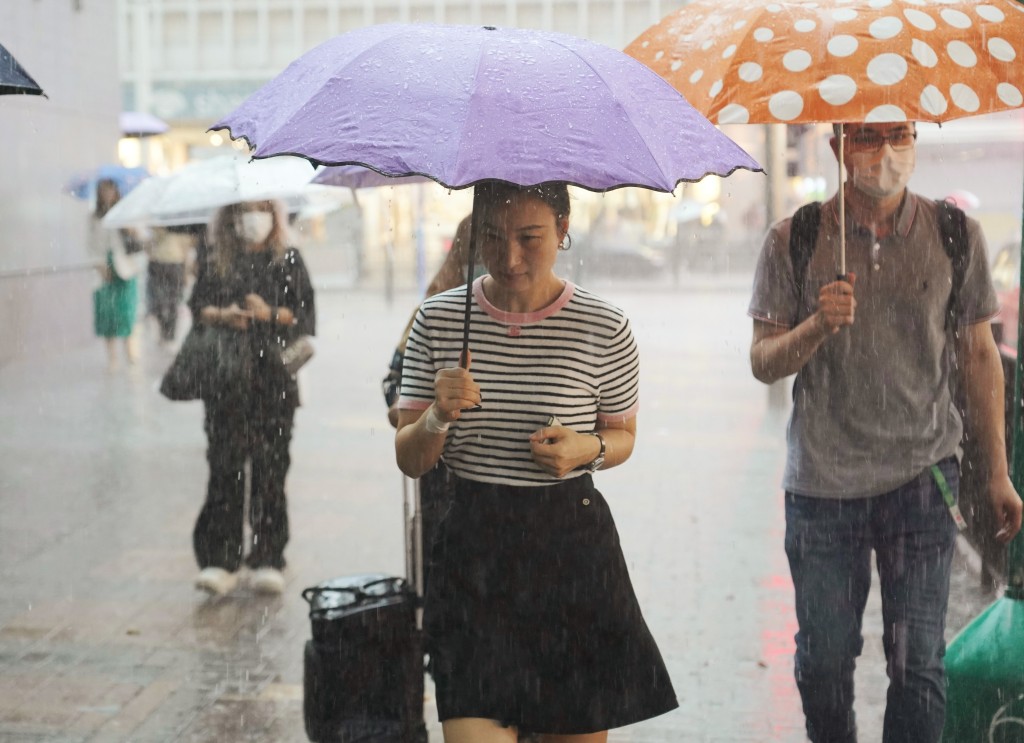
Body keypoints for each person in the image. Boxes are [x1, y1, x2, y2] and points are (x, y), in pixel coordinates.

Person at [748, 121, 1023, 743]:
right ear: (840, 145)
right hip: (822, 484)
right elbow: (763, 361)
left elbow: (980, 356)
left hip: (922, 479)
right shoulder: (796, 238)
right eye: (870, 136)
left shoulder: (955, 234)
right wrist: (818, 323)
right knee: (822, 664)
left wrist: (998, 471)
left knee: (918, 665)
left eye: (899, 133)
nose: (888, 152)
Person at [395, 181, 677, 743]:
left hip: (571, 554)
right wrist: (437, 418)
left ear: (563, 228)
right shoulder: (439, 318)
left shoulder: (605, 327)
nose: (510, 257)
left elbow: (622, 435)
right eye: (493, 238)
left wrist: (587, 449)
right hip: (474, 551)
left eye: (530, 237)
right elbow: (410, 459)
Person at [187, 199, 316, 596]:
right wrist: (223, 315)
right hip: (225, 382)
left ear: (274, 214)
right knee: (225, 468)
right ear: (227, 214)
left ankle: (268, 555)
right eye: (242, 209)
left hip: (273, 383)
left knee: (271, 470)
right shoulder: (214, 256)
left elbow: (306, 317)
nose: (251, 217)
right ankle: (219, 559)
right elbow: (196, 307)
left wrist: (269, 313)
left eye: (260, 208)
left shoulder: (288, 258)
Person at [88, 178, 145, 370]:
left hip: (126, 268)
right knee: (107, 313)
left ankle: (130, 352)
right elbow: (91, 244)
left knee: (126, 311)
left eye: (110, 190)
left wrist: (132, 230)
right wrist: (99, 265)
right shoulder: (94, 217)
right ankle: (112, 357)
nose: (107, 195)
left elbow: (143, 238)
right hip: (104, 269)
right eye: (104, 191)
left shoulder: (126, 212)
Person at [146, 225, 194, 345]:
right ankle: (164, 330)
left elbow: (186, 248)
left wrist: (186, 272)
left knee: (174, 301)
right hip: (157, 264)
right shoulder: (155, 227)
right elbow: (148, 246)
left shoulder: (180, 226)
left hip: (175, 264)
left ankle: (169, 334)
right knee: (158, 301)